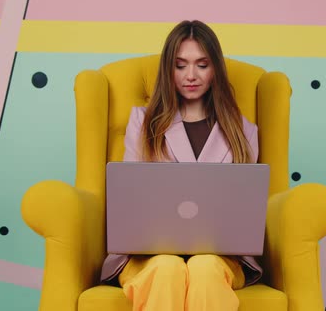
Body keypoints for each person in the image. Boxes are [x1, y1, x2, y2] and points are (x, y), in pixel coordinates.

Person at [100, 20, 262, 311]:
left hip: (220, 258)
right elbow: (130, 200)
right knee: (167, 268)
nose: (191, 75)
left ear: (215, 70)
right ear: (168, 69)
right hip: (148, 257)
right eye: (180, 65)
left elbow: (245, 209)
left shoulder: (243, 130)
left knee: (203, 268)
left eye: (202, 64)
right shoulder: (142, 122)